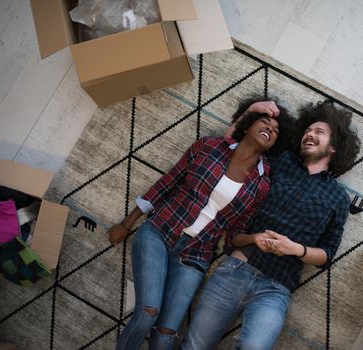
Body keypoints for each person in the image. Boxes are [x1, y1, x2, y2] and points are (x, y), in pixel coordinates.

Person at [107, 98, 293, 350]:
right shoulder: (209, 146)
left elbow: (236, 233)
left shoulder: (262, 183)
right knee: (148, 311)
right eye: (264, 122)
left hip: (195, 255)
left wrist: (254, 239)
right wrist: (127, 223)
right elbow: (167, 182)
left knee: (166, 332)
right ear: (247, 125)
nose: (270, 129)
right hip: (159, 232)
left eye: (275, 131)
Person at [181, 100, 361, 350]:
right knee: (193, 345)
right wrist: (254, 108)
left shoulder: (338, 199)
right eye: (308, 131)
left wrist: (295, 249)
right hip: (236, 269)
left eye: (319, 132)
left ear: (334, 148)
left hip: (275, 289)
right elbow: (234, 146)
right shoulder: (280, 162)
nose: (310, 134)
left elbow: (327, 254)